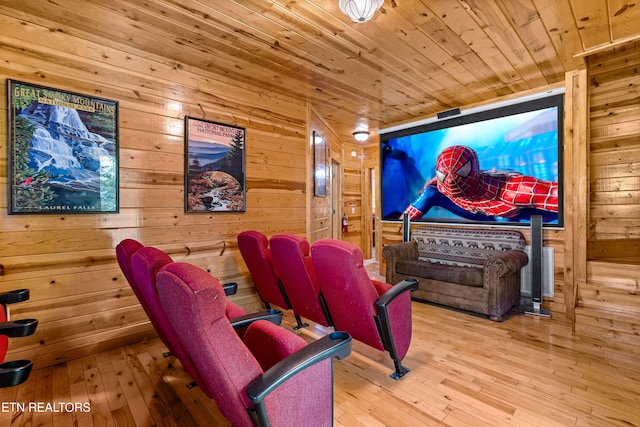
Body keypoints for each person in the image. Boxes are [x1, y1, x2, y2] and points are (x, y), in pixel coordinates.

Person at [403, 145, 558, 221]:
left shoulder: (514, 189)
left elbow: (559, 196)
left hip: (509, 212)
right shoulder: (443, 182)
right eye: (444, 175)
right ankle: (400, 227)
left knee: (506, 222)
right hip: (479, 209)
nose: (450, 181)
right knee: (430, 193)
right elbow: (449, 177)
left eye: (458, 174)